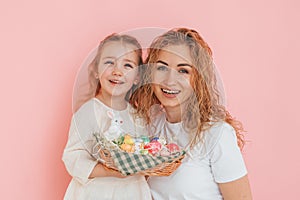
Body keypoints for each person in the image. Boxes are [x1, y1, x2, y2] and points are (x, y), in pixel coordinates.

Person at [131, 28, 253, 199]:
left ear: (198, 79)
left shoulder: (216, 134)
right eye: (162, 68)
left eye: (183, 71)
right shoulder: (151, 126)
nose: (170, 80)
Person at [62, 33, 151, 200]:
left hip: (131, 192)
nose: (117, 71)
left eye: (127, 65)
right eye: (110, 62)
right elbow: (73, 157)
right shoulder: (88, 112)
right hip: (96, 192)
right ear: (96, 70)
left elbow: (143, 153)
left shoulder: (138, 116)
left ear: (137, 77)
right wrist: (107, 171)